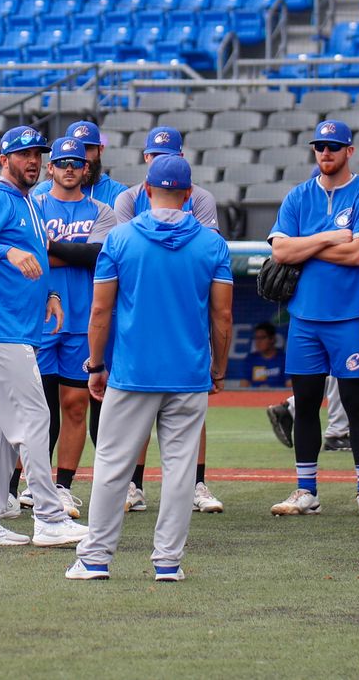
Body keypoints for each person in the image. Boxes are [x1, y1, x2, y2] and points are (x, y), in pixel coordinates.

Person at [67, 154, 233, 584]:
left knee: (112, 466)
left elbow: (100, 311)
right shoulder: (212, 244)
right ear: (189, 194)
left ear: (145, 189)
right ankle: (168, 563)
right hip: (188, 373)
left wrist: (96, 365)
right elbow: (223, 317)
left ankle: (96, 559)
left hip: (132, 372)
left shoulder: (120, 239)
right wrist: (218, 368)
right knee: (180, 471)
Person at [0, 126, 87, 549]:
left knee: (2, 429)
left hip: (14, 328)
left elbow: (34, 253)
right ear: (4, 158)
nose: (33, 160)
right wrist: (8, 252)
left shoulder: (26, 200)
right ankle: (49, 517)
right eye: (23, 154)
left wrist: (48, 292)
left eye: (37, 153)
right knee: (34, 417)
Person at [265, 118, 359, 519]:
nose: (326, 153)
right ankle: (306, 491)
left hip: (351, 314)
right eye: (320, 146)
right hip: (304, 316)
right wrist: (329, 238)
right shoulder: (299, 196)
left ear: (349, 151)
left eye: (334, 147)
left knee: (355, 403)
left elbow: (358, 255)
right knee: (305, 402)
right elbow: (280, 253)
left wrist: (305, 245)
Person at [33, 135, 119, 518]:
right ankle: (20, 486)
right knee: (32, 408)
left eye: (76, 163)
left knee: (74, 406)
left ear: (87, 169)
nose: (69, 168)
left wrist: (49, 251)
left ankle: (62, 486)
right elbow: (27, 252)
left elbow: (98, 257)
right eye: (62, 163)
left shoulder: (102, 211)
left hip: (81, 320)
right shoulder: (32, 203)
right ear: (50, 168)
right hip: (36, 318)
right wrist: (58, 253)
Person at [34, 120, 128, 205]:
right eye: (75, 149)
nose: (82, 156)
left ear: (100, 149)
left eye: (87, 148)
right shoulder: (44, 191)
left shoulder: (117, 193)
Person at [238, 322, 286, 389]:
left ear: (272, 339)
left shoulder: (283, 359)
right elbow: (243, 386)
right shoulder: (251, 359)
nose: (258, 341)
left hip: (280, 398)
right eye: (256, 338)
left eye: (262, 338)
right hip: (256, 398)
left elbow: (290, 386)